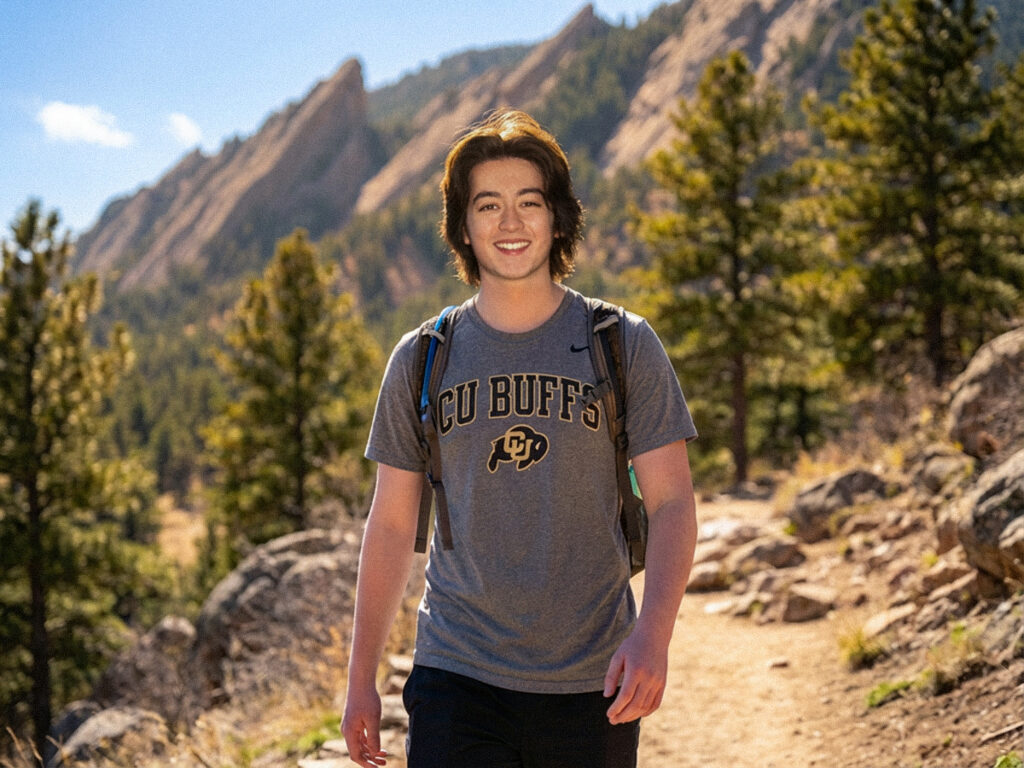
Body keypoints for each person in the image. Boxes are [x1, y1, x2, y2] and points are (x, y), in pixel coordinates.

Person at [342, 108, 698, 768]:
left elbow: (672, 501)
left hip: (594, 677)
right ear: (463, 227)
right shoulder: (422, 358)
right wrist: (360, 678)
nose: (510, 223)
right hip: (457, 673)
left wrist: (654, 634)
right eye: (488, 206)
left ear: (558, 218)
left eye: (529, 203)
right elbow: (392, 525)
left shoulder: (621, 344)